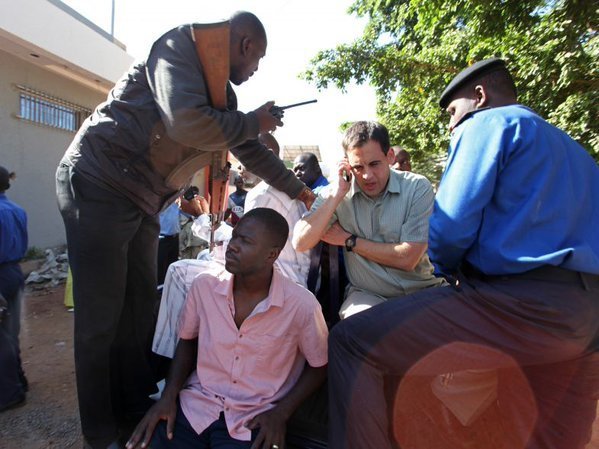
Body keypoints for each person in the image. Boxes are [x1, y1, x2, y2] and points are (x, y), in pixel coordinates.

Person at [55, 11, 314, 449]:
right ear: (245, 44)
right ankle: (100, 433)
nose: (256, 70)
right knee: (101, 319)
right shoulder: (179, 49)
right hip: (98, 182)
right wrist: (254, 120)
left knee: (137, 312)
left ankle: (134, 410)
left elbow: (250, 151)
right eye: (258, 59)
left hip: (138, 198)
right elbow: (185, 122)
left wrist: (301, 191)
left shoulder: (223, 99)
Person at [327, 58, 599, 449]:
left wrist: (451, 273)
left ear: (480, 96)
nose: (451, 125)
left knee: (351, 342)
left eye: (453, 112)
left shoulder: (490, 123)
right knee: (551, 437)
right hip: (587, 321)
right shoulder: (573, 149)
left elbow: (451, 225)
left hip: (519, 304)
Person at [126, 208, 328, 449]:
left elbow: (320, 366)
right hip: (197, 407)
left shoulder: (301, 306)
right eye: (235, 236)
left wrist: (281, 413)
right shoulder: (204, 287)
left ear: (271, 255)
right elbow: (187, 341)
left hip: (252, 419)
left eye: (246, 241)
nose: (232, 246)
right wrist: (168, 397)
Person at [293, 121, 445, 319]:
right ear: (347, 164)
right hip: (367, 296)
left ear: (389, 156)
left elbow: (408, 258)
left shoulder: (417, 187)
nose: (367, 175)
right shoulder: (337, 193)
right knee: (365, 326)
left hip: (422, 290)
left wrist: (350, 240)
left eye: (374, 164)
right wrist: (337, 194)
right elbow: (300, 242)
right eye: (358, 167)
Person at [246, 134, 311, 287]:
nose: (242, 163)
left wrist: (202, 222)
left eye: (246, 152)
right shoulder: (293, 184)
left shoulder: (262, 193)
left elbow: (248, 246)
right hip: (302, 274)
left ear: (264, 153)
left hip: (285, 280)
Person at [0, 166, 28, 412]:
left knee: (1, 335)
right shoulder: (17, 210)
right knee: (11, 330)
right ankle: (19, 380)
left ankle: (9, 393)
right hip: (14, 273)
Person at [157, 202, 182, 285]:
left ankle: (171, 288)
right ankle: (159, 291)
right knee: (161, 267)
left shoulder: (177, 201)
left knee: (173, 266)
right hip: (162, 238)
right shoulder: (161, 200)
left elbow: (186, 212)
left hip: (174, 238)